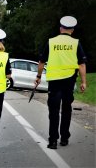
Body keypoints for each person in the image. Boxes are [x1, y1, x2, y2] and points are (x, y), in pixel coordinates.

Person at [35, 16, 87, 149]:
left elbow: (41, 62)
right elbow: (81, 64)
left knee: (53, 110)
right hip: (69, 80)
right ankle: (64, 138)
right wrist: (83, 82)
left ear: (60, 29)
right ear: (72, 30)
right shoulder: (76, 43)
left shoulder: (51, 42)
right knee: (66, 109)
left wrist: (39, 76)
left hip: (54, 81)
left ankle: (53, 140)